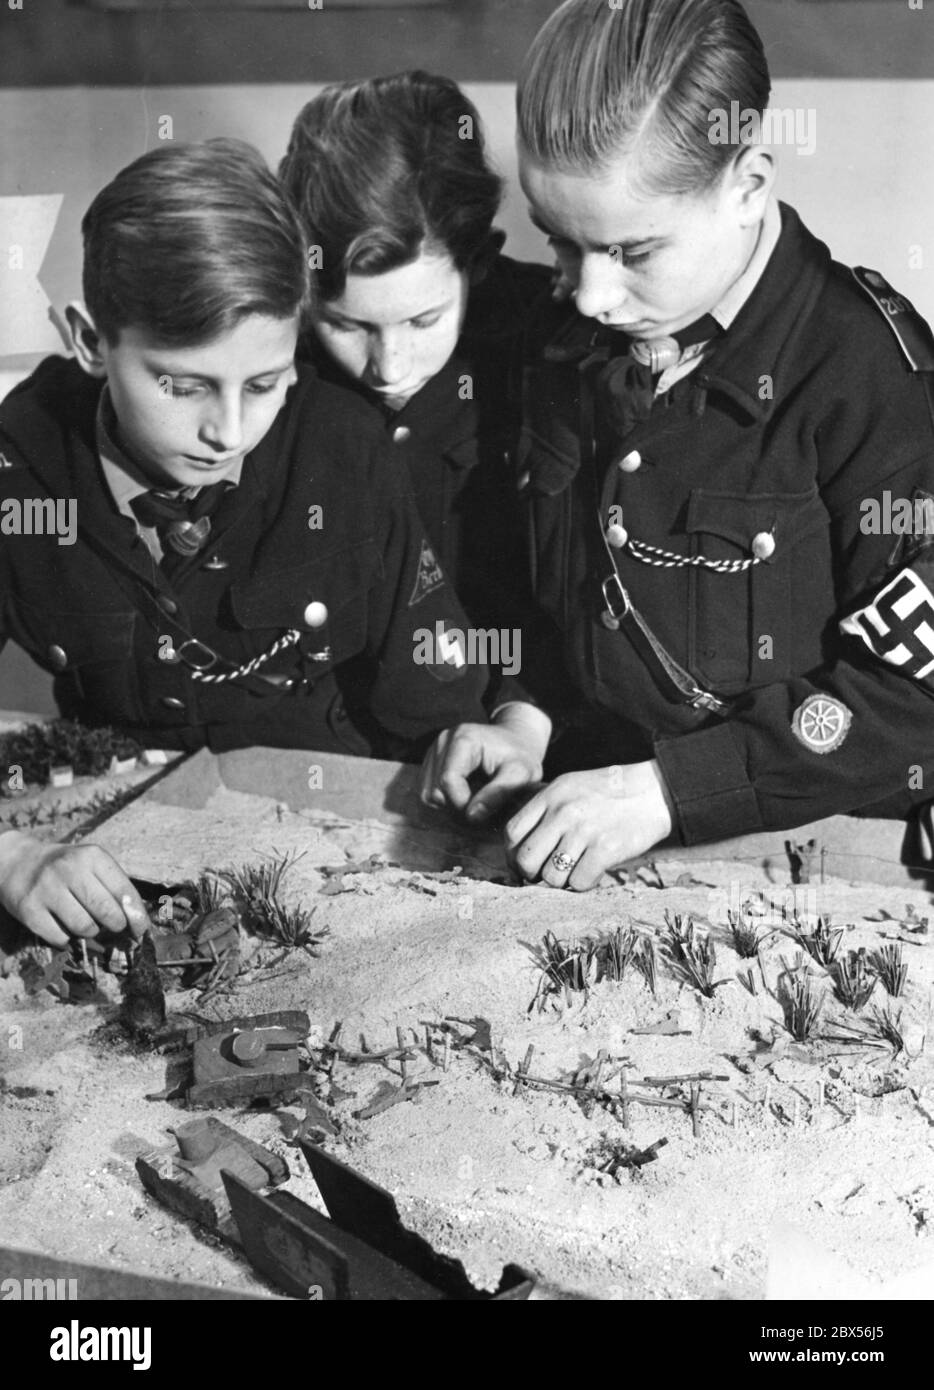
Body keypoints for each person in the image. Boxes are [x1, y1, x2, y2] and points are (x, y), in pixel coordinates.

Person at [421, 0, 934, 891]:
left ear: (748, 185)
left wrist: (669, 790)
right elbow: (549, 592)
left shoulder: (869, 378)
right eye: (562, 245)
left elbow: (916, 693)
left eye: (631, 250)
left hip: (823, 857)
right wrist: (523, 719)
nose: (588, 295)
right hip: (593, 839)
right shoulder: (566, 336)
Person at [0, 138, 491, 948]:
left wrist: (476, 741)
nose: (228, 431)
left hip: (328, 857)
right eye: (183, 385)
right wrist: (12, 857)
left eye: (263, 384)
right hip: (109, 861)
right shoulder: (17, 466)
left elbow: (439, 708)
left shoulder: (346, 448)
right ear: (91, 342)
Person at [279, 71, 558, 790]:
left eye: (424, 320)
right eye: (345, 324)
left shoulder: (557, 354)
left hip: (531, 749)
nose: (388, 364)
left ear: (480, 263)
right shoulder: (263, 366)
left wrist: (522, 717)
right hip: (324, 765)